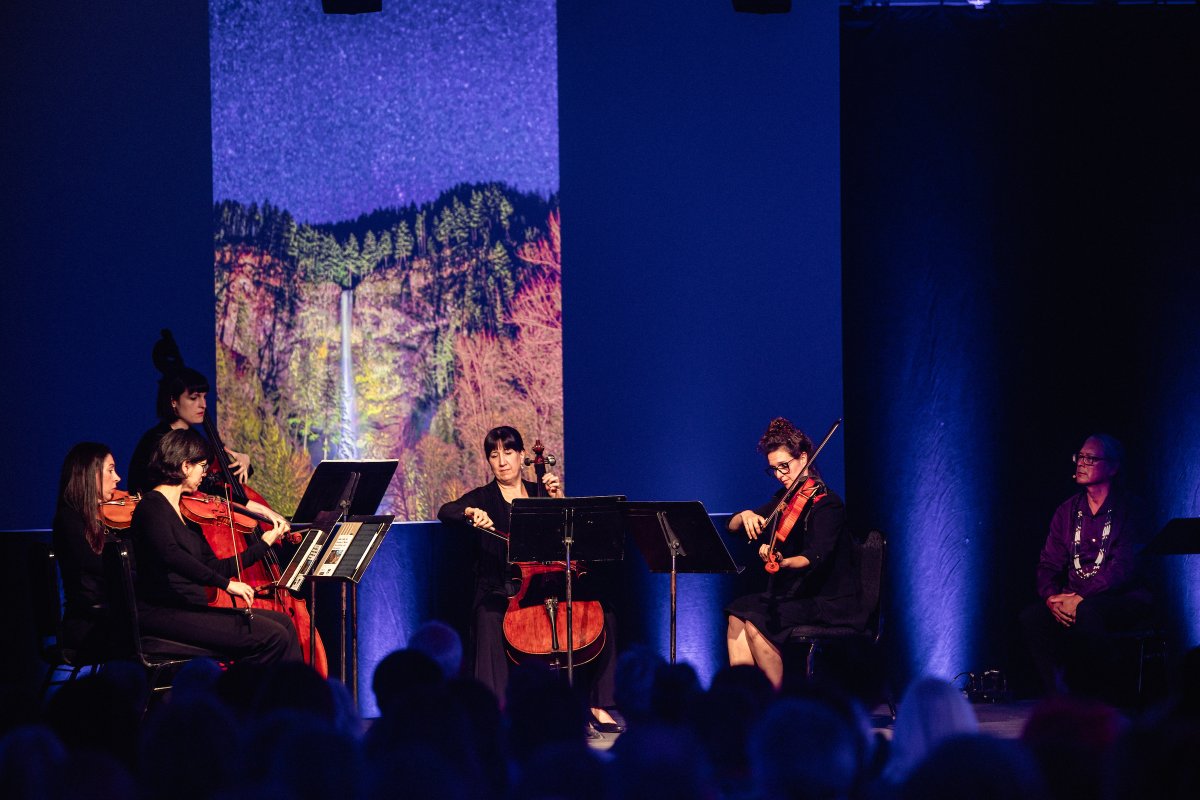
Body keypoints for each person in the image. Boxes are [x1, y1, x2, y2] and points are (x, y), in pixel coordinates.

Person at [436, 425, 622, 731]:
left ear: (523, 456)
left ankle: (596, 703)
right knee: (486, 616)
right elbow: (447, 511)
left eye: (508, 452)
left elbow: (573, 538)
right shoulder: (484, 497)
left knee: (607, 614)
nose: (502, 461)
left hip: (551, 583)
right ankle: (496, 711)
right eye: (494, 454)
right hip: (507, 589)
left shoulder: (540, 493)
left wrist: (560, 500)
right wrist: (470, 512)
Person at [130, 428, 301, 665]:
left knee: (284, 624)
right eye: (202, 465)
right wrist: (226, 585)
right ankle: (244, 698)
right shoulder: (151, 506)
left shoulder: (186, 514)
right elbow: (172, 555)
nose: (205, 473)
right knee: (273, 636)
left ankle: (288, 700)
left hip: (191, 610)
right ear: (184, 466)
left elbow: (215, 567)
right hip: (166, 614)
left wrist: (263, 544)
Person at [726, 417, 857, 689]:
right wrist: (745, 515)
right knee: (737, 613)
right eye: (773, 469)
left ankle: (773, 704)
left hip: (830, 599)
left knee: (757, 621)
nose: (779, 474)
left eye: (784, 466)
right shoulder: (783, 500)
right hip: (799, 595)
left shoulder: (828, 504)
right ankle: (742, 701)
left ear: (804, 458)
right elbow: (732, 526)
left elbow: (815, 556)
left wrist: (783, 561)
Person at [1019, 433, 1152, 697]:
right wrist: (1051, 599)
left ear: (1113, 468)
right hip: (1074, 598)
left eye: (1091, 458)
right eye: (1079, 457)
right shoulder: (1066, 511)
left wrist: (1081, 598)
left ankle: (1104, 697)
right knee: (1032, 617)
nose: (1081, 463)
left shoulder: (1131, 509)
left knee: (1089, 613)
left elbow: (1124, 568)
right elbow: (1048, 564)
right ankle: (1060, 698)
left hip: (1120, 597)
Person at [127, 345, 286, 531]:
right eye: (194, 398)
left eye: (204, 397)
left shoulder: (196, 440)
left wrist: (244, 464)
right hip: (168, 525)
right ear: (173, 401)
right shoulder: (157, 442)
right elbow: (201, 490)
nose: (203, 404)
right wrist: (247, 504)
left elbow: (217, 482)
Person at [51, 442, 123, 658]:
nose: (118, 477)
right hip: (90, 626)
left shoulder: (98, 518)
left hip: (106, 619)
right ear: (90, 475)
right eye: (110, 470)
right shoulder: (69, 519)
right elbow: (102, 565)